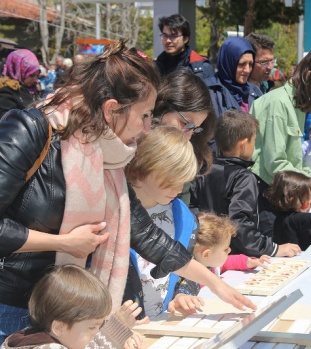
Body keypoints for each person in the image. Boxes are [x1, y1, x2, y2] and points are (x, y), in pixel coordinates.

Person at [0, 40, 254, 343]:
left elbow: (145, 233)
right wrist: (64, 242)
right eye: (145, 115)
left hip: (67, 310)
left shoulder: (109, 153)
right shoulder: (30, 129)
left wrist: (213, 282)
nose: (149, 128)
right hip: (12, 307)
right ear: (111, 110)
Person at [250, 49, 311, 235]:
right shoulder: (279, 104)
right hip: (264, 194)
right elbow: (275, 164)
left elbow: (293, 160)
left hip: (280, 191)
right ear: (309, 76)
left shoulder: (296, 104)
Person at [190, 110, 301, 258]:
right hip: (235, 256)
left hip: (207, 255)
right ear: (243, 143)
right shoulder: (244, 177)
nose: (254, 146)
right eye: (254, 141)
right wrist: (272, 249)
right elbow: (239, 221)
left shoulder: (203, 170)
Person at [125, 126, 198, 318]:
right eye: (171, 179)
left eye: (183, 180)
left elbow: (190, 266)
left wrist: (183, 293)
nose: (179, 188)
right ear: (144, 167)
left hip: (163, 327)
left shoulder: (184, 217)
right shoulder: (115, 210)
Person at [1, 265, 141, 349]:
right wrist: (118, 327)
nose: (97, 333)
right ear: (59, 327)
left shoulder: (28, 337)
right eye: (92, 327)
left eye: (100, 326)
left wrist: (118, 329)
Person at [169, 212, 271, 315]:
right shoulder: (190, 276)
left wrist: (248, 262)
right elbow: (183, 289)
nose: (230, 250)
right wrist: (183, 296)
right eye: (225, 249)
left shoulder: (209, 264)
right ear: (206, 254)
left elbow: (228, 262)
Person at [152, 68, 216, 204]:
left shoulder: (187, 151)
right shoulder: (133, 143)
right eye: (185, 123)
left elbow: (182, 202)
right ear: (163, 105)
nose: (188, 136)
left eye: (195, 128)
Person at [205, 37, 262, 118]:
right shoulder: (209, 92)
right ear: (228, 63)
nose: (247, 70)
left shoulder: (255, 93)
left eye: (250, 64)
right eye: (242, 64)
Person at [155, 14, 214, 79]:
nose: (168, 40)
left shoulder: (200, 67)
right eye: (165, 35)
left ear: (185, 39)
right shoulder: (157, 65)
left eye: (173, 36)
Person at [0, 49, 40, 117]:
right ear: (18, 70)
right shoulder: (7, 91)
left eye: (37, 75)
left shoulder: (30, 88)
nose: (35, 80)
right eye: (31, 75)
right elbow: (7, 121)